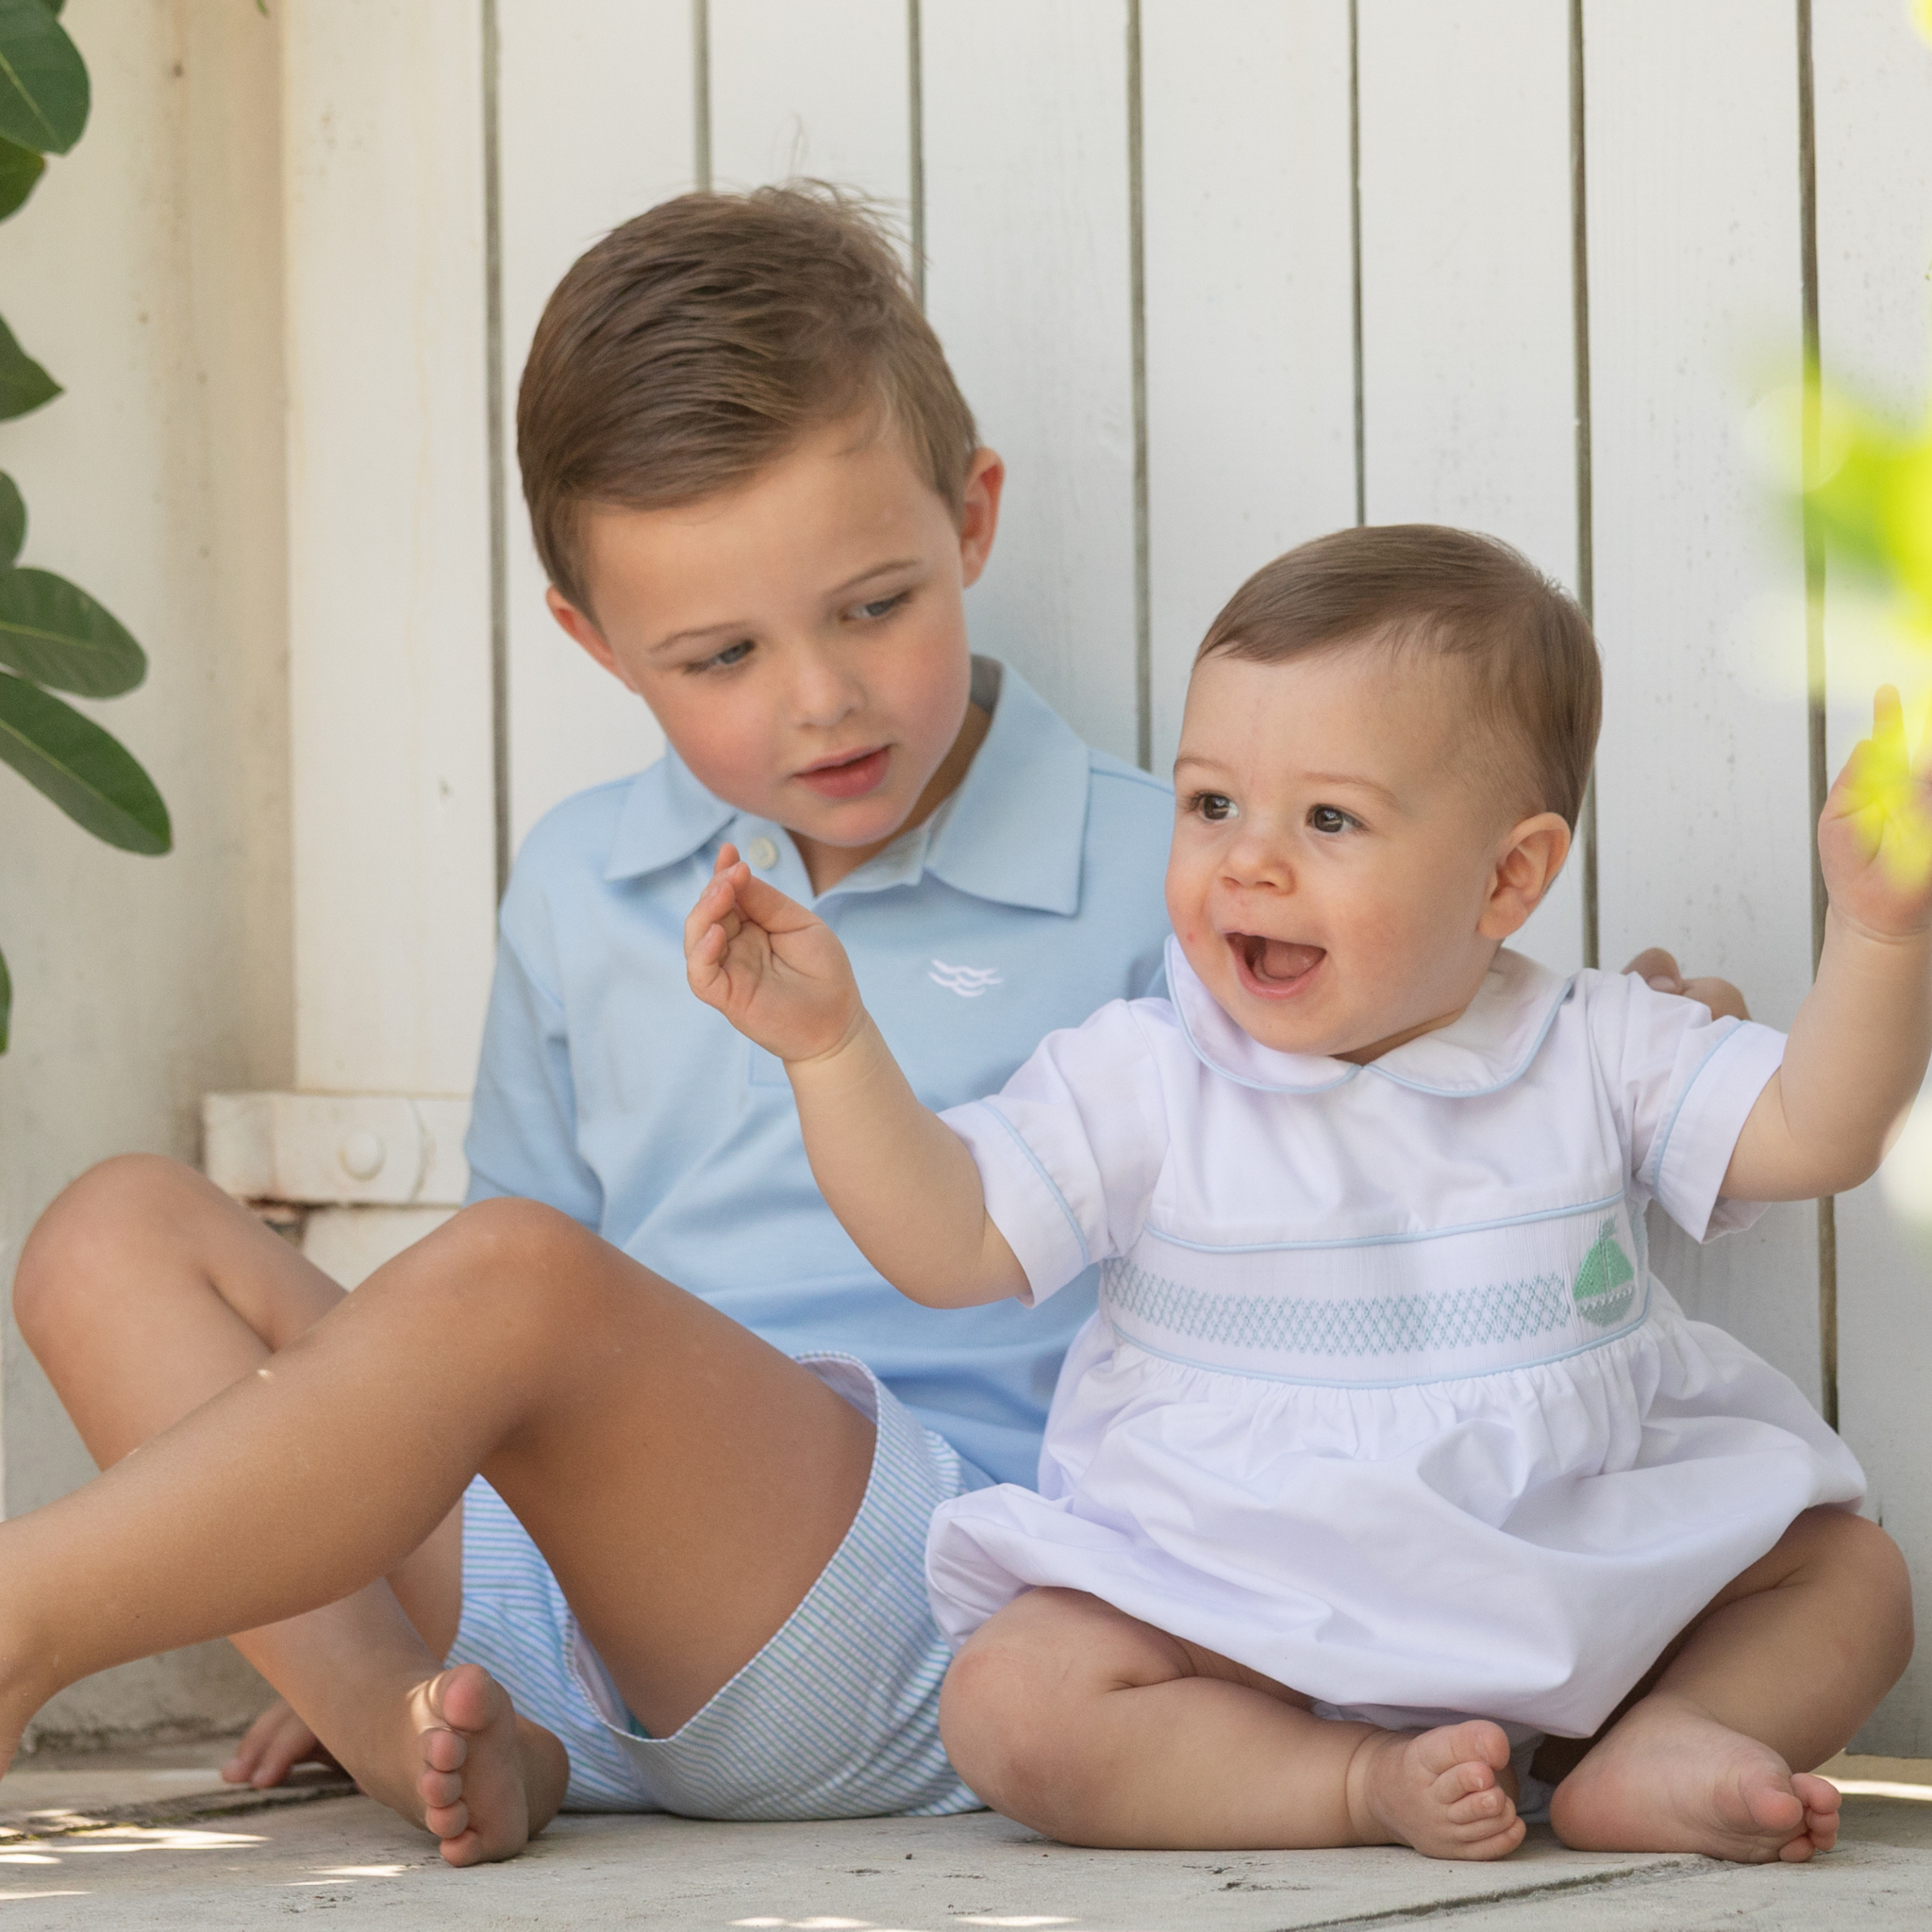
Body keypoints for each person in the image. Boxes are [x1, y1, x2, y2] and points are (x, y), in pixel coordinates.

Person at [6, 190, 1743, 1869]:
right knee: (113, 1235)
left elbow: (1396, 1110)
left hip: (932, 1598)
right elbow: (465, 1326)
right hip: (573, 1579)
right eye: (720, 656)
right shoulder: (583, 883)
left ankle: (21, 1618)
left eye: (874, 607)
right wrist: (321, 1561)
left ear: (970, 519)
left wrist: (1612, 1041)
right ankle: (406, 1717)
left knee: (518, 1282)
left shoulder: (1184, 876)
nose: (821, 699)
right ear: (596, 643)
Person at [682, 524, 1916, 1866]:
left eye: (1328, 820)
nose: (1248, 863)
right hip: (1245, 1611)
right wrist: (833, 1051)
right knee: (1013, 1700)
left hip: (1582, 1573)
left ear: (1509, 875)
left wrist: (1879, 928)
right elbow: (952, 1239)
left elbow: (1814, 1131)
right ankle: (1353, 1783)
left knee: (1850, 1577)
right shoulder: (1147, 1075)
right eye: (1212, 804)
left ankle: (1666, 1735)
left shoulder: (1594, 1044)